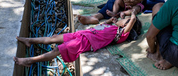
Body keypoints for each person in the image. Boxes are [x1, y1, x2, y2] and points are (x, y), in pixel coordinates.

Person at [14, 10, 142, 66]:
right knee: (54, 37)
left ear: (127, 25)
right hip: (82, 34)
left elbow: (133, 19)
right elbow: (102, 27)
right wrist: (109, 20)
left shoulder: (121, 34)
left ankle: (29, 61)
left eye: (123, 19)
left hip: (86, 42)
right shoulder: (113, 27)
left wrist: (133, 14)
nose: (121, 18)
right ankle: (29, 40)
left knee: (57, 50)